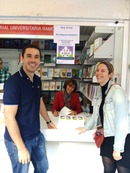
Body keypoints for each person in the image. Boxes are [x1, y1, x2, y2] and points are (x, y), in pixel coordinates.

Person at [3, 44, 57, 173]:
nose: (33, 60)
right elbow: (8, 117)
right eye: (29, 56)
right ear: (21, 58)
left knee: (43, 168)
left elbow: (39, 101)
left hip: (37, 136)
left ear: (39, 60)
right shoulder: (13, 82)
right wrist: (21, 147)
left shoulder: (37, 80)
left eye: (36, 57)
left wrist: (48, 121)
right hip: (19, 141)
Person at [77, 62, 130, 173]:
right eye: (97, 70)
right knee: (108, 170)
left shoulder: (117, 91)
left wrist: (117, 148)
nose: (99, 73)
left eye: (103, 71)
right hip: (106, 137)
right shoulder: (99, 91)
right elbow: (96, 113)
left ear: (110, 74)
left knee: (123, 171)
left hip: (121, 138)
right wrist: (86, 127)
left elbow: (122, 120)